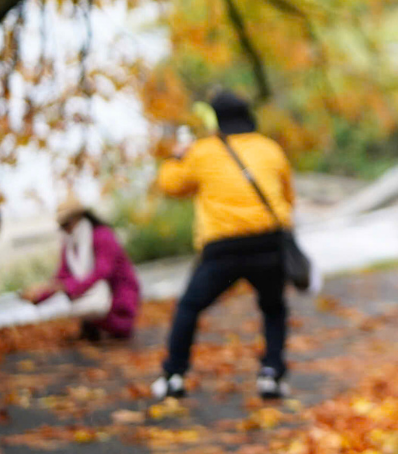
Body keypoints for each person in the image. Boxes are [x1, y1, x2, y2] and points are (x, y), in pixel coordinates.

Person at [151, 90, 295, 400]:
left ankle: (174, 374)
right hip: (268, 241)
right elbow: (287, 197)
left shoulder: (202, 152)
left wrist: (177, 157)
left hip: (223, 247)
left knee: (189, 306)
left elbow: (171, 185)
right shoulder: (270, 149)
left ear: (216, 120)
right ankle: (271, 373)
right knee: (273, 308)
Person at [21, 201, 141, 341]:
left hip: (118, 297)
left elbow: (101, 272)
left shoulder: (103, 235)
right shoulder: (70, 244)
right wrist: (40, 294)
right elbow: (62, 275)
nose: (65, 229)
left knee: (120, 331)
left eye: (66, 224)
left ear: (79, 217)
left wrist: (65, 286)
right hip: (92, 300)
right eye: (61, 225)